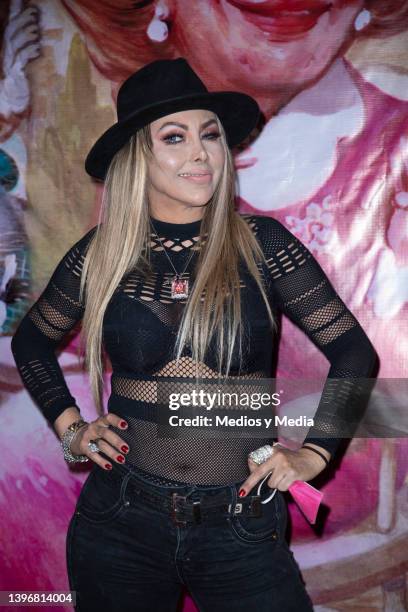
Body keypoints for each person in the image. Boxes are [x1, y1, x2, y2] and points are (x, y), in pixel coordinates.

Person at [11, 58, 377, 611]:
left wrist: (314, 456)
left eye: (210, 135)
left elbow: (353, 352)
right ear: (139, 154)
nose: (202, 152)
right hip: (120, 521)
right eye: (175, 137)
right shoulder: (102, 253)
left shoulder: (263, 245)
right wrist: (73, 430)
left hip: (241, 524)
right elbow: (31, 342)